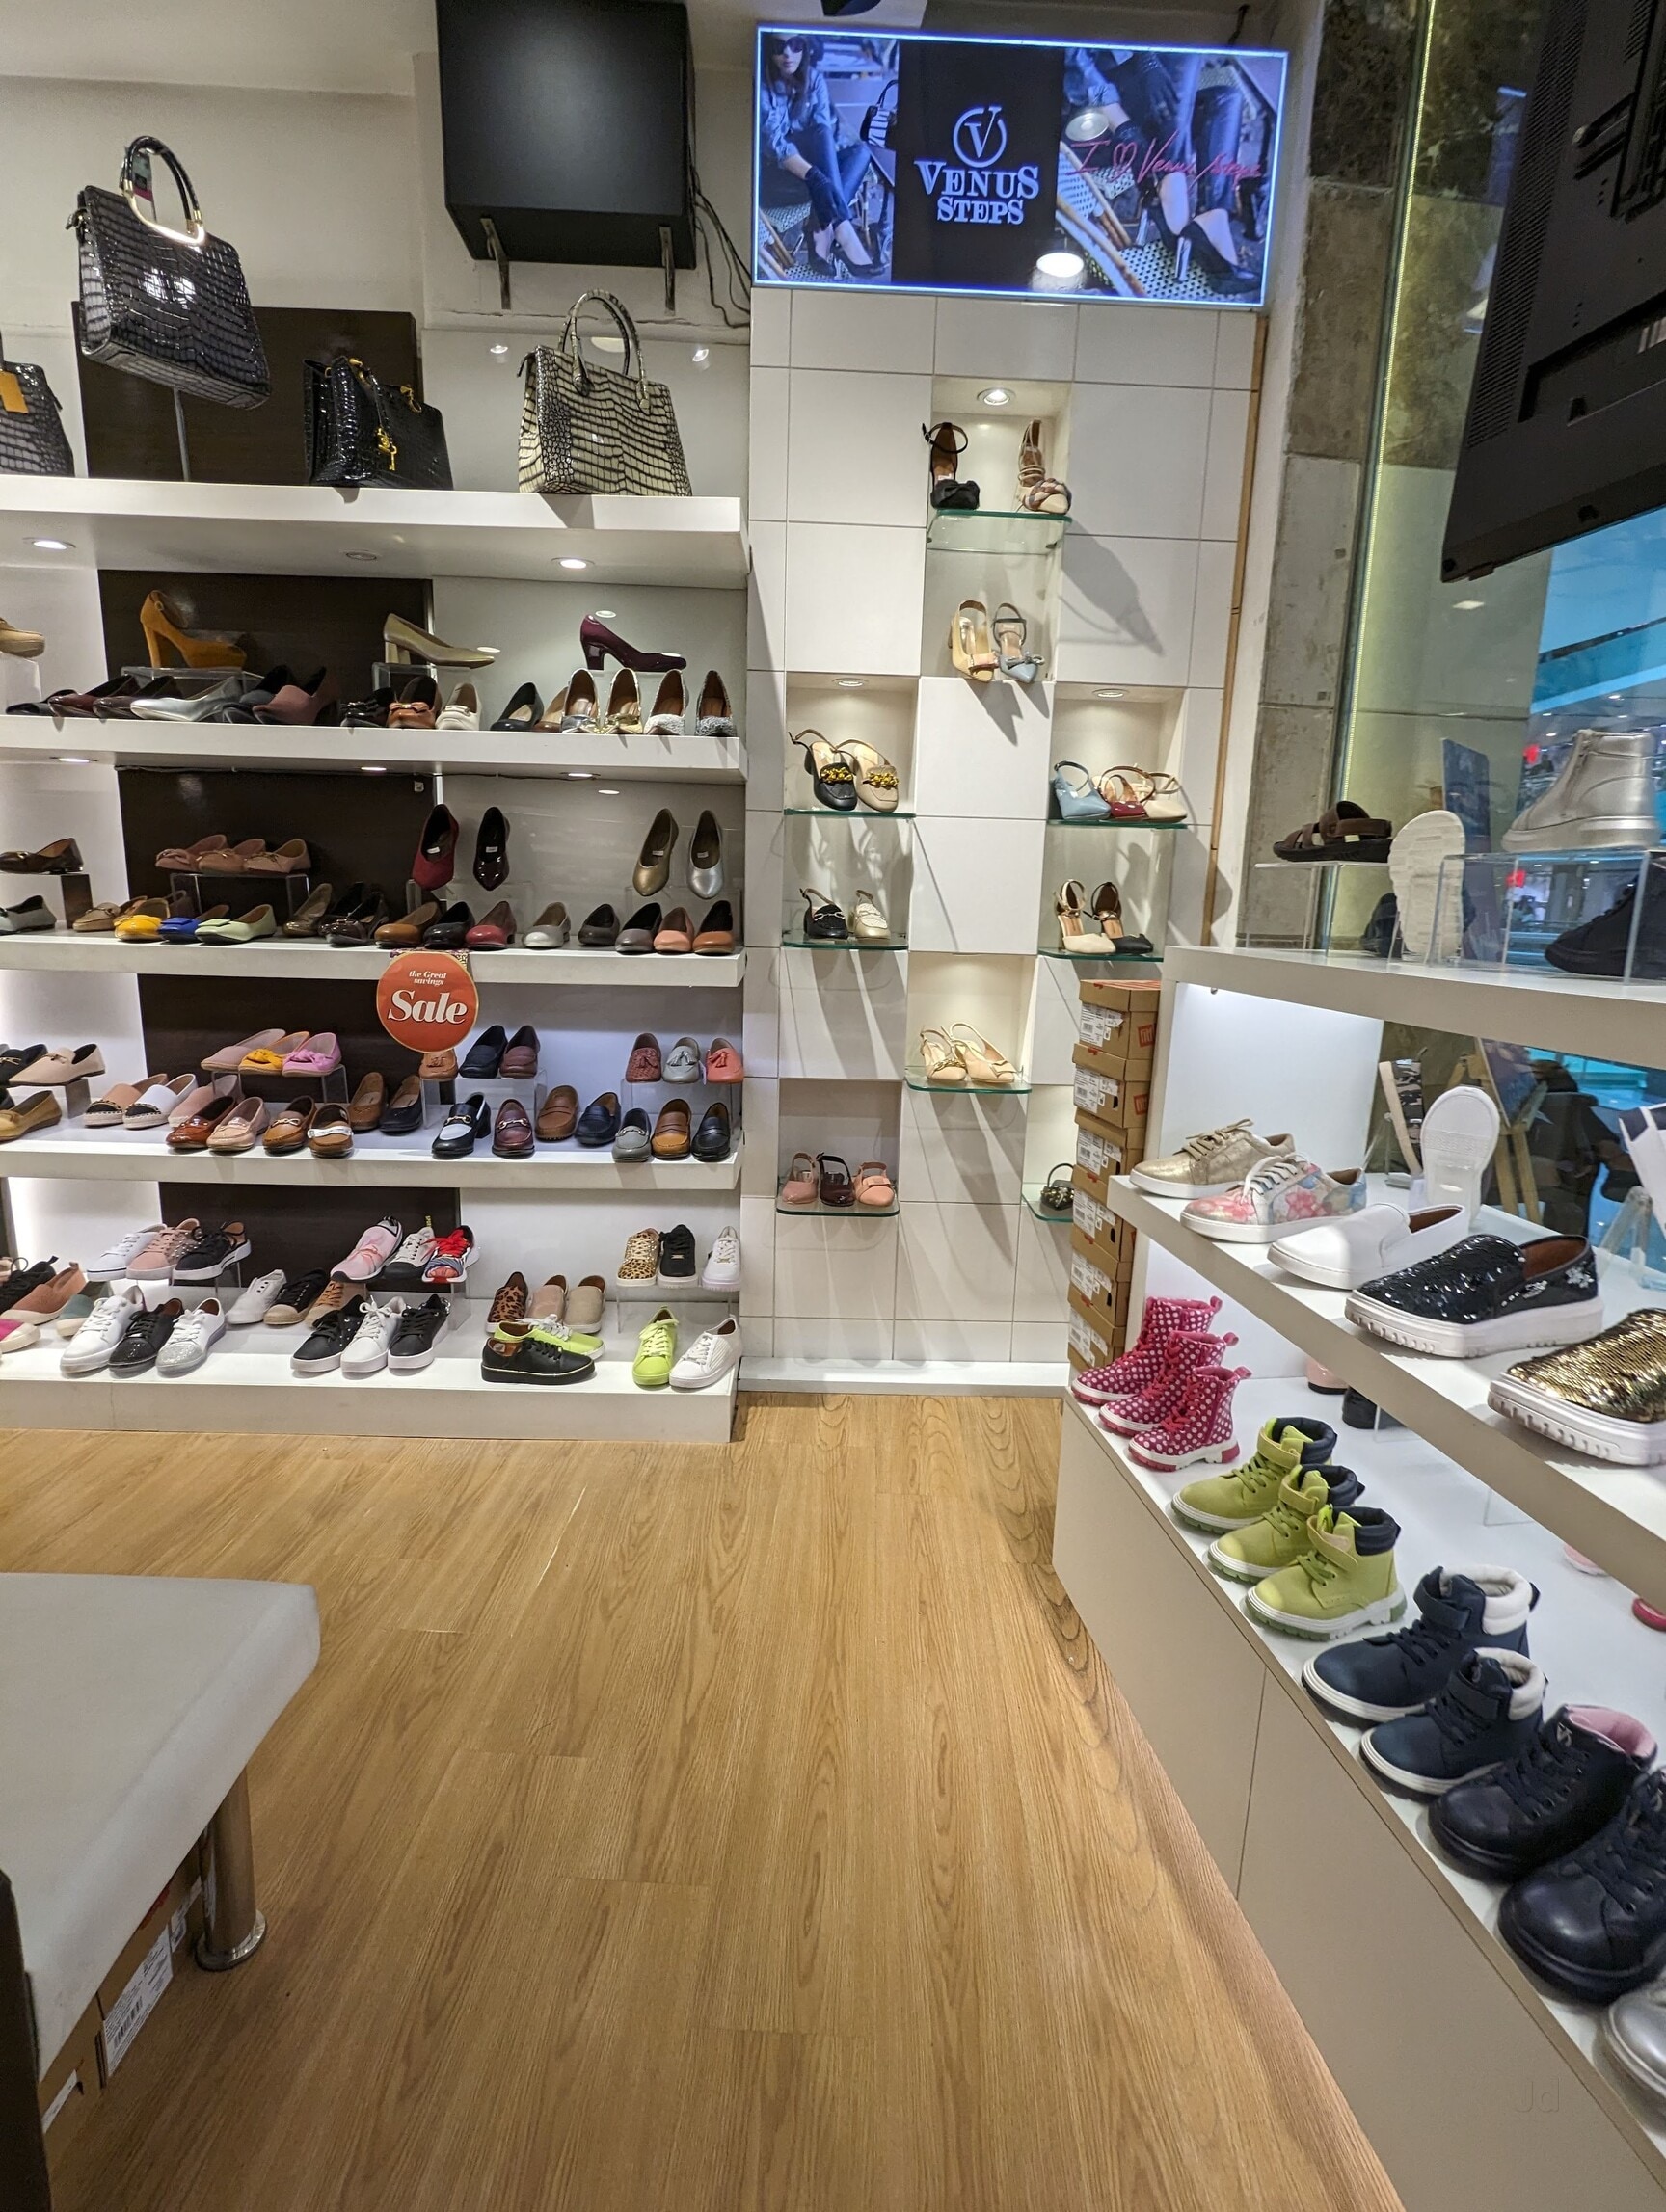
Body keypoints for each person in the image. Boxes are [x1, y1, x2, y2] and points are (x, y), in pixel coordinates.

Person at [760, 33, 873, 274]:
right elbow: (776, 145)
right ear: (768, 50)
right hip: (775, 180)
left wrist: (821, 176)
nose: (788, 53)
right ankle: (841, 228)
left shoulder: (815, 79)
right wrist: (816, 177)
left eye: (795, 45)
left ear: (805, 48)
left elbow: (825, 135)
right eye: (779, 46)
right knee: (828, 173)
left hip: (813, 176)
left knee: (861, 152)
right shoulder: (762, 84)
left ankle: (820, 225)